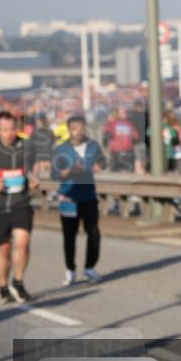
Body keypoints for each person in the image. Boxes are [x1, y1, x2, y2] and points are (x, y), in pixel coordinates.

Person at [52, 115, 107, 285]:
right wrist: (69, 171)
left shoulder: (93, 146)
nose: (79, 132)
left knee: (94, 233)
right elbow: (54, 175)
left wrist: (100, 166)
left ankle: (90, 268)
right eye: (75, 129)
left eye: (82, 128)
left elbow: (102, 161)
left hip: (89, 196)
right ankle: (71, 270)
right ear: (69, 130)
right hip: (68, 197)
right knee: (70, 236)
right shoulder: (61, 149)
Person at [0, 111, 37, 304]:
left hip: (21, 202)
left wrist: (34, 181)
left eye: (12, 129)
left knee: (23, 241)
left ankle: (18, 283)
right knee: (4, 248)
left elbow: (32, 171)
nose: (9, 133)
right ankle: (3, 286)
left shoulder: (27, 146)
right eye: (5, 130)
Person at [102, 107, 138, 172]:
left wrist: (105, 145)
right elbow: (135, 136)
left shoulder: (112, 124)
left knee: (114, 170)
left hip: (116, 150)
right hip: (128, 149)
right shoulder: (129, 124)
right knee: (128, 169)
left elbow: (106, 134)